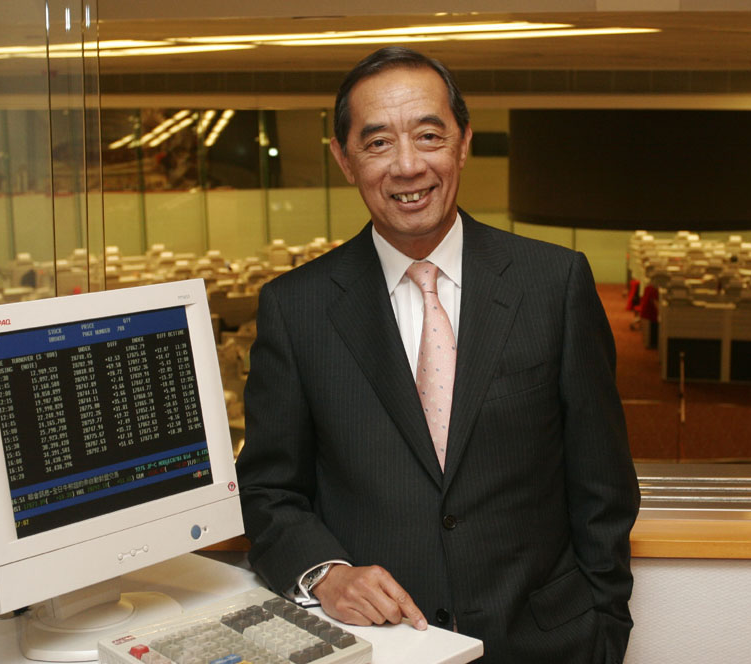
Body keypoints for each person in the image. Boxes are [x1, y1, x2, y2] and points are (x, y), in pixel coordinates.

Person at [236, 46, 640, 664]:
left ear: (463, 142)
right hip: (383, 647)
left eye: (429, 136)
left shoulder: (554, 284)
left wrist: (605, 629)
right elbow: (268, 489)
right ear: (345, 160)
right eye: (378, 143)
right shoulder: (297, 308)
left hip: (546, 644)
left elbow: (602, 483)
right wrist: (326, 574)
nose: (407, 165)